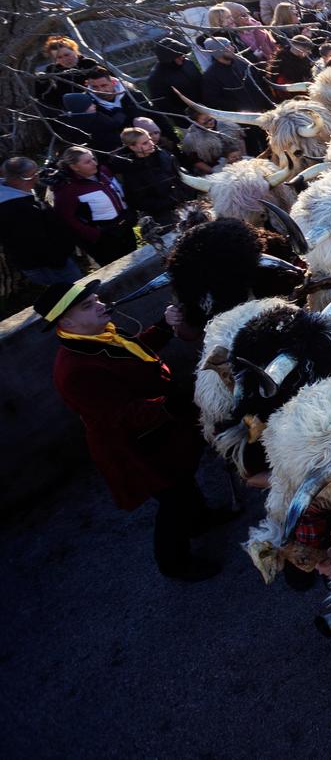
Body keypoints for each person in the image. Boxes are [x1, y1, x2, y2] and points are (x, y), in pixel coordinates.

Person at [36, 278, 224, 580]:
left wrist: (163, 326)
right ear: (66, 320)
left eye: (96, 299)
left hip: (159, 430)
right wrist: (179, 396)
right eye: (88, 305)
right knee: (172, 500)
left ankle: (201, 520)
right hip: (135, 446)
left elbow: (137, 352)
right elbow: (121, 416)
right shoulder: (73, 371)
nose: (100, 305)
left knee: (183, 477)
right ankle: (175, 565)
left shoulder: (98, 334)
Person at [0, 157, 80, 285]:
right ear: (24, 178)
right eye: (35, 173)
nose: (38, 176)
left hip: (45, 262)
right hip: (50, 266)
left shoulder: (11, 190)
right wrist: (60, 258)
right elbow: (34, 242)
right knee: (76, 294)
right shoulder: (16, 210)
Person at [52, 145, 138, 265]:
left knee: (136, 261)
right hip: (103, 238)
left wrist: (129, 213)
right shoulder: (67, 189)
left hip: (123, 228)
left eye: (93, 159)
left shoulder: (103, 171)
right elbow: (67, 219)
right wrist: (96, 235)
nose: (94, 163)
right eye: (87, 162)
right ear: (74, 167)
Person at [109, 126, 184, 226]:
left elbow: (179, 177)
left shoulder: (164, 155)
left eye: (150, 140)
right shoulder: (128, 169)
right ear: (132, 147)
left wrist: (181, 195)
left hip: (182, 204)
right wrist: (166, 203)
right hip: (158, 215)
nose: (151, 144)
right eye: (145, 143)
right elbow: (137, 200)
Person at [145, 37, 204, 123]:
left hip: (207, 112)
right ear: (167, 59)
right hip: (188, 121)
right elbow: (164, 106)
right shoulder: (156, 79)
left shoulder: (188, 63)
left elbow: (201, 82)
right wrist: (189, 118)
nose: (182, 57)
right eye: (178, 56)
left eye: (182, 54)